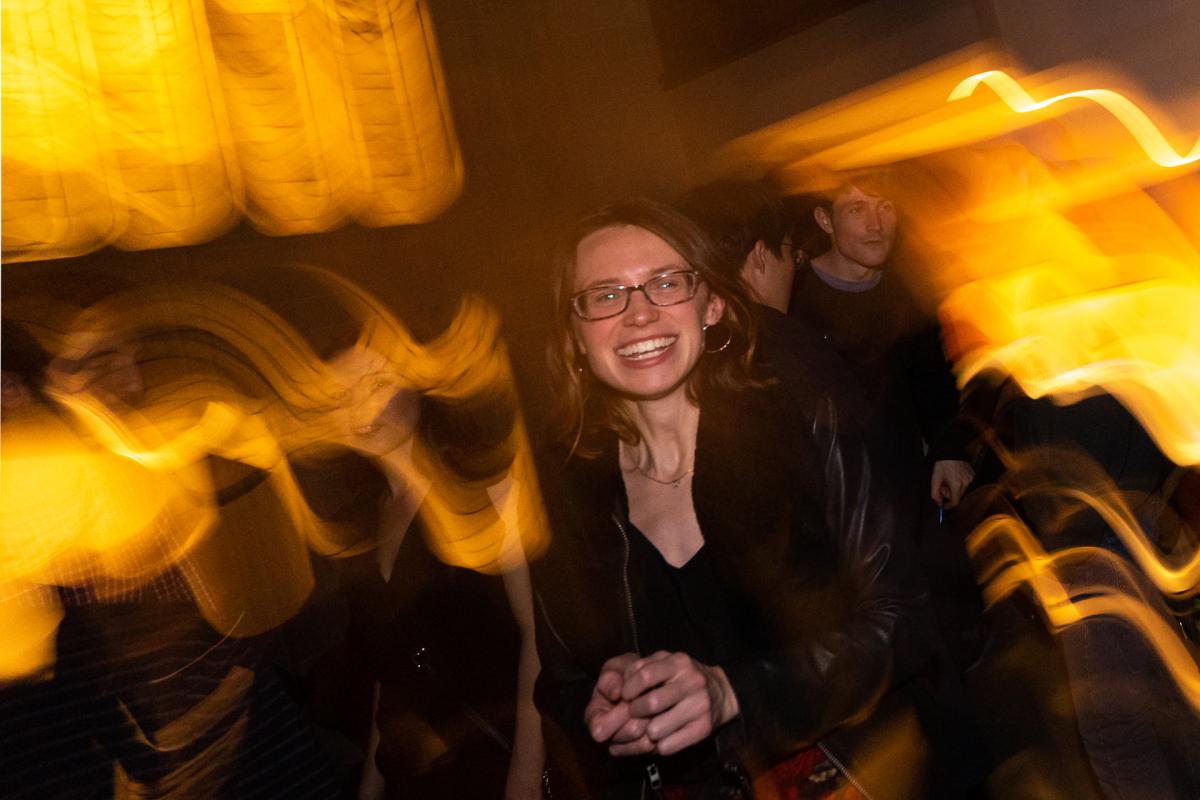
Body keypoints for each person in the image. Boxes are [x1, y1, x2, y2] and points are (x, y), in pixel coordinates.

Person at [532, 199, 965, 799]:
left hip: (853, 777)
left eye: (667, 283)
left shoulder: (800, 426)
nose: (639, 314)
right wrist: (602, 701)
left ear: (711, 305)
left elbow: (905, 620)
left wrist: (735, 694)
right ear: (576, 337)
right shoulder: (572, 487)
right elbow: (558, 681)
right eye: (605, 296)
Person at [793, 174, 976, 518]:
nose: (875, 225)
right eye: (857, 209)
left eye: (885, 207)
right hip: (824, 493)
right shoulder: (795, 296)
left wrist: (949, 450)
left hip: (901, 485)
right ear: (825, 220)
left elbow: (934, 379)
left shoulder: (908, 293)